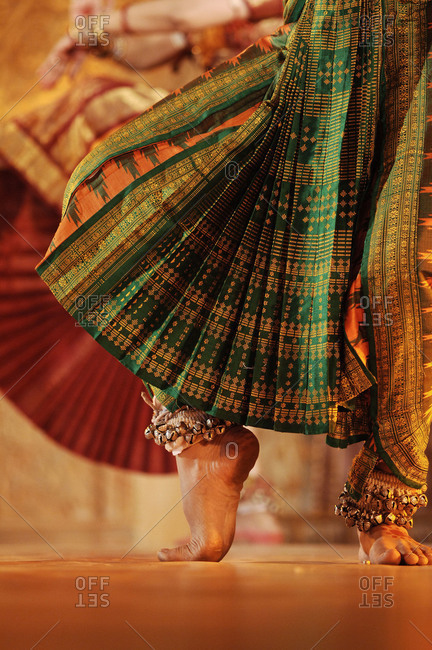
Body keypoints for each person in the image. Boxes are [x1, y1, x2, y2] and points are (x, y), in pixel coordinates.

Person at [36, 0, 432, 565]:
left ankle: (386, 508)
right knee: (169, 211)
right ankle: (203, 441)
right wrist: (96, 27)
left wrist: (97, 26)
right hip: (312, 85)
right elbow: (205, 15)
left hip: (405, 88)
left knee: (401, 273)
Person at [0, 0, 283, 473]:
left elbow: (182, 19)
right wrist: (97, 37)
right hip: (227, 128)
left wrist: (90, 28)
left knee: (103, 106)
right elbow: (175, 37)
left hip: (259, 136)